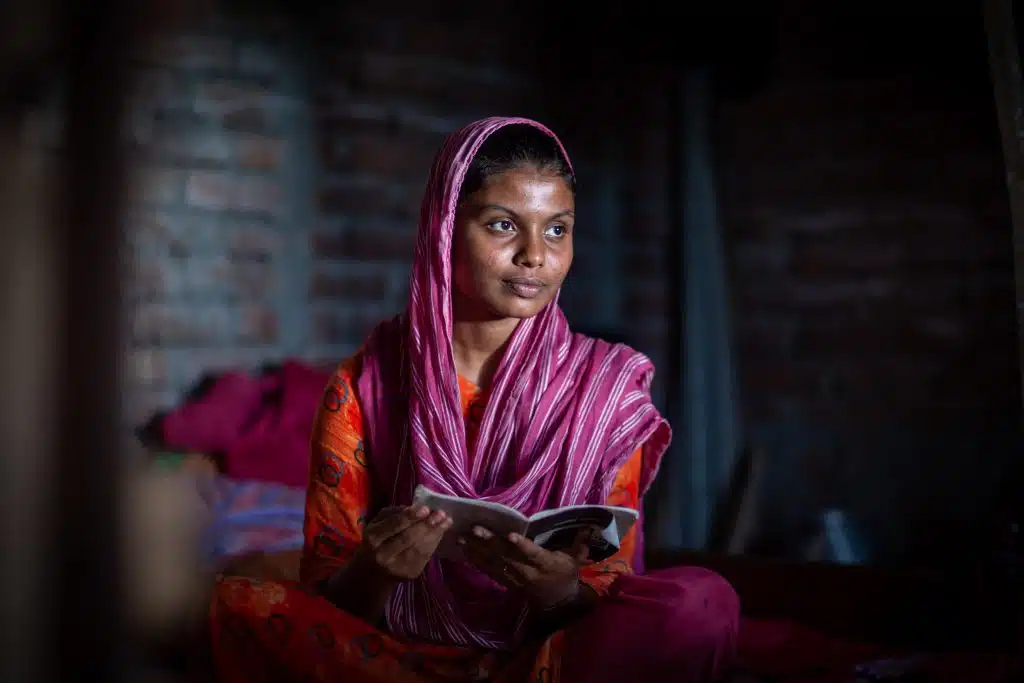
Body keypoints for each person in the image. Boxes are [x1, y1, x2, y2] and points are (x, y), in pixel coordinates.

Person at [209, 117, 740, 683]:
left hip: (549, 655)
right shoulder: (367, 385)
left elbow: (608, 584)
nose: (534, 255)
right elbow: (331, 589)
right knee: (240, 605)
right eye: (503, 225)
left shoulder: (606, 389)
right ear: (444, 229)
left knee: (702, 603)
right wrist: (376, 570)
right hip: (402, 651)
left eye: (557, 230)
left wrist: (558, 592)